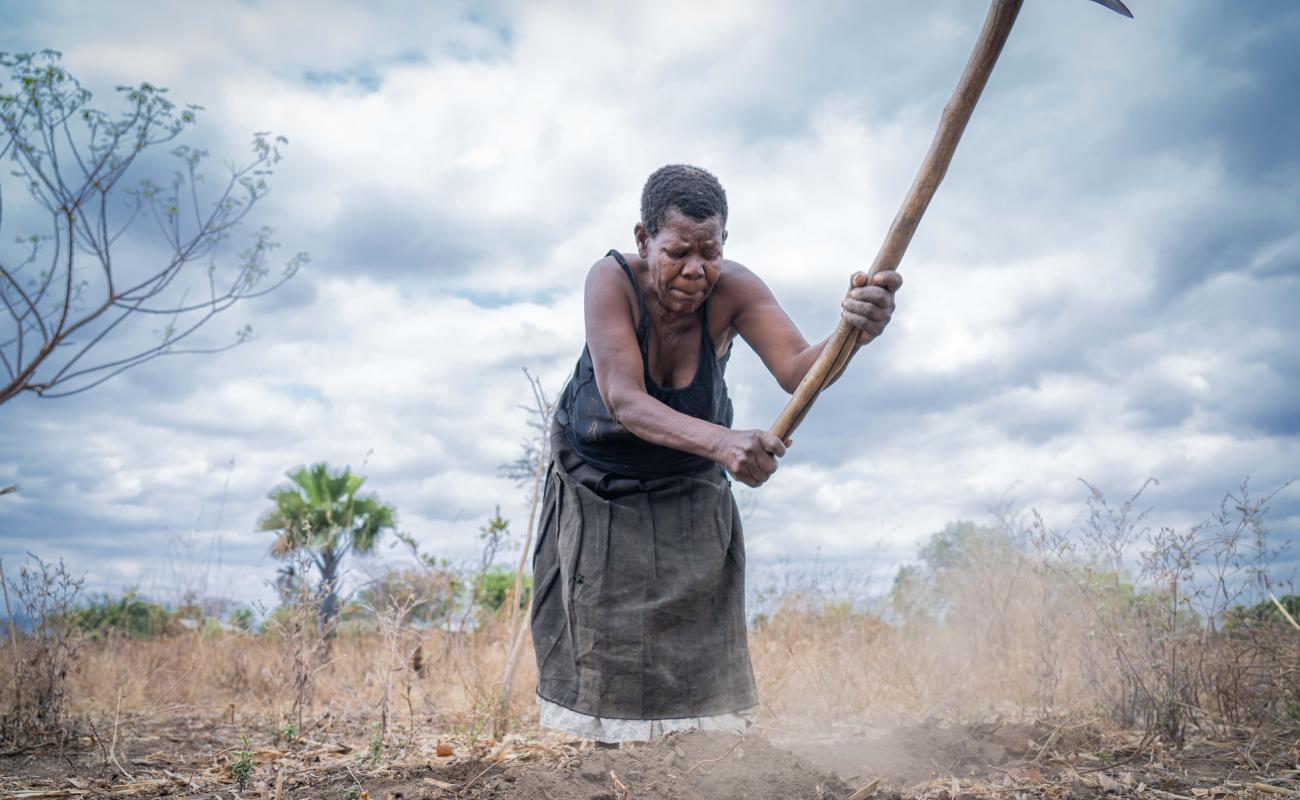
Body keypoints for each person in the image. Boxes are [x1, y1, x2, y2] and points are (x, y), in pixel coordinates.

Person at [530, 164, 901, 743]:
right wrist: (725, 442)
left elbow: (798, 370)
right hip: (599, 469)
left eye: (711, 251)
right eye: (678, 251)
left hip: (688, 469)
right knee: (604, 612)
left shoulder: (736, 290)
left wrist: (852, 332)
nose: (696, 269)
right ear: (642, 239)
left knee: (698, 597)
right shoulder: (609, 280)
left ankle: (699, 749)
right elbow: (624, 399)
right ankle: (610, 749)